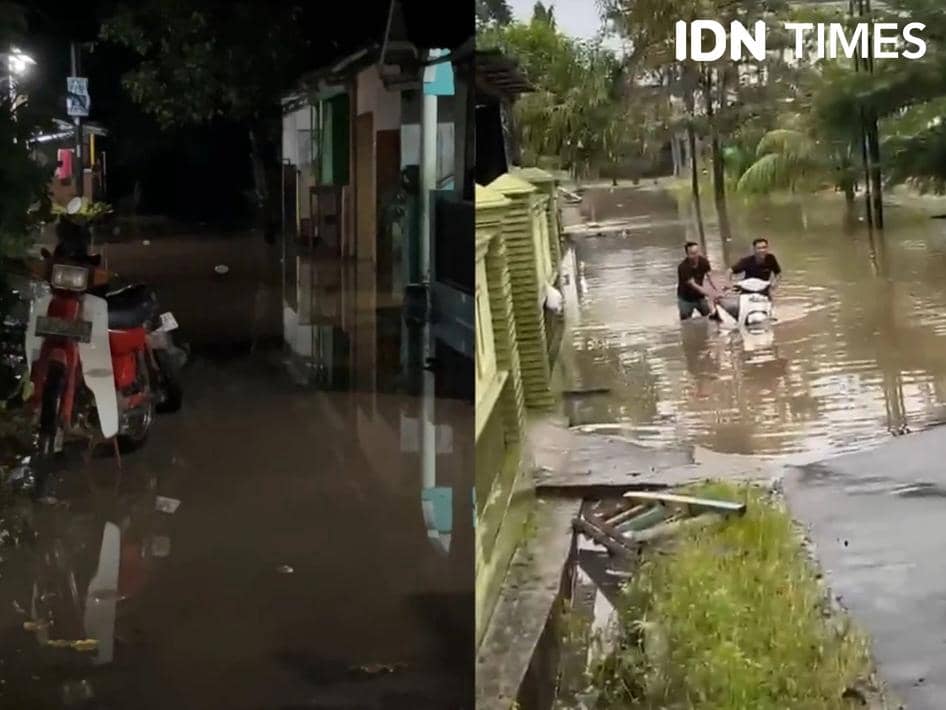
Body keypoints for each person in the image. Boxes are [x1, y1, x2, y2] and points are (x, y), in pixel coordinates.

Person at [677, 241, 720, 321]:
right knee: (685, 322)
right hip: (686, 299)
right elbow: (694, 285)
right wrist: (710, 294)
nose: (695, 256)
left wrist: (718, 290)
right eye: (692, 254)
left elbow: (711, 277)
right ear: (687, 254)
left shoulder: (704, 262)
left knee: (712, 317)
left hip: (700, 297)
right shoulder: (683, 267)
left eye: (697, 252)